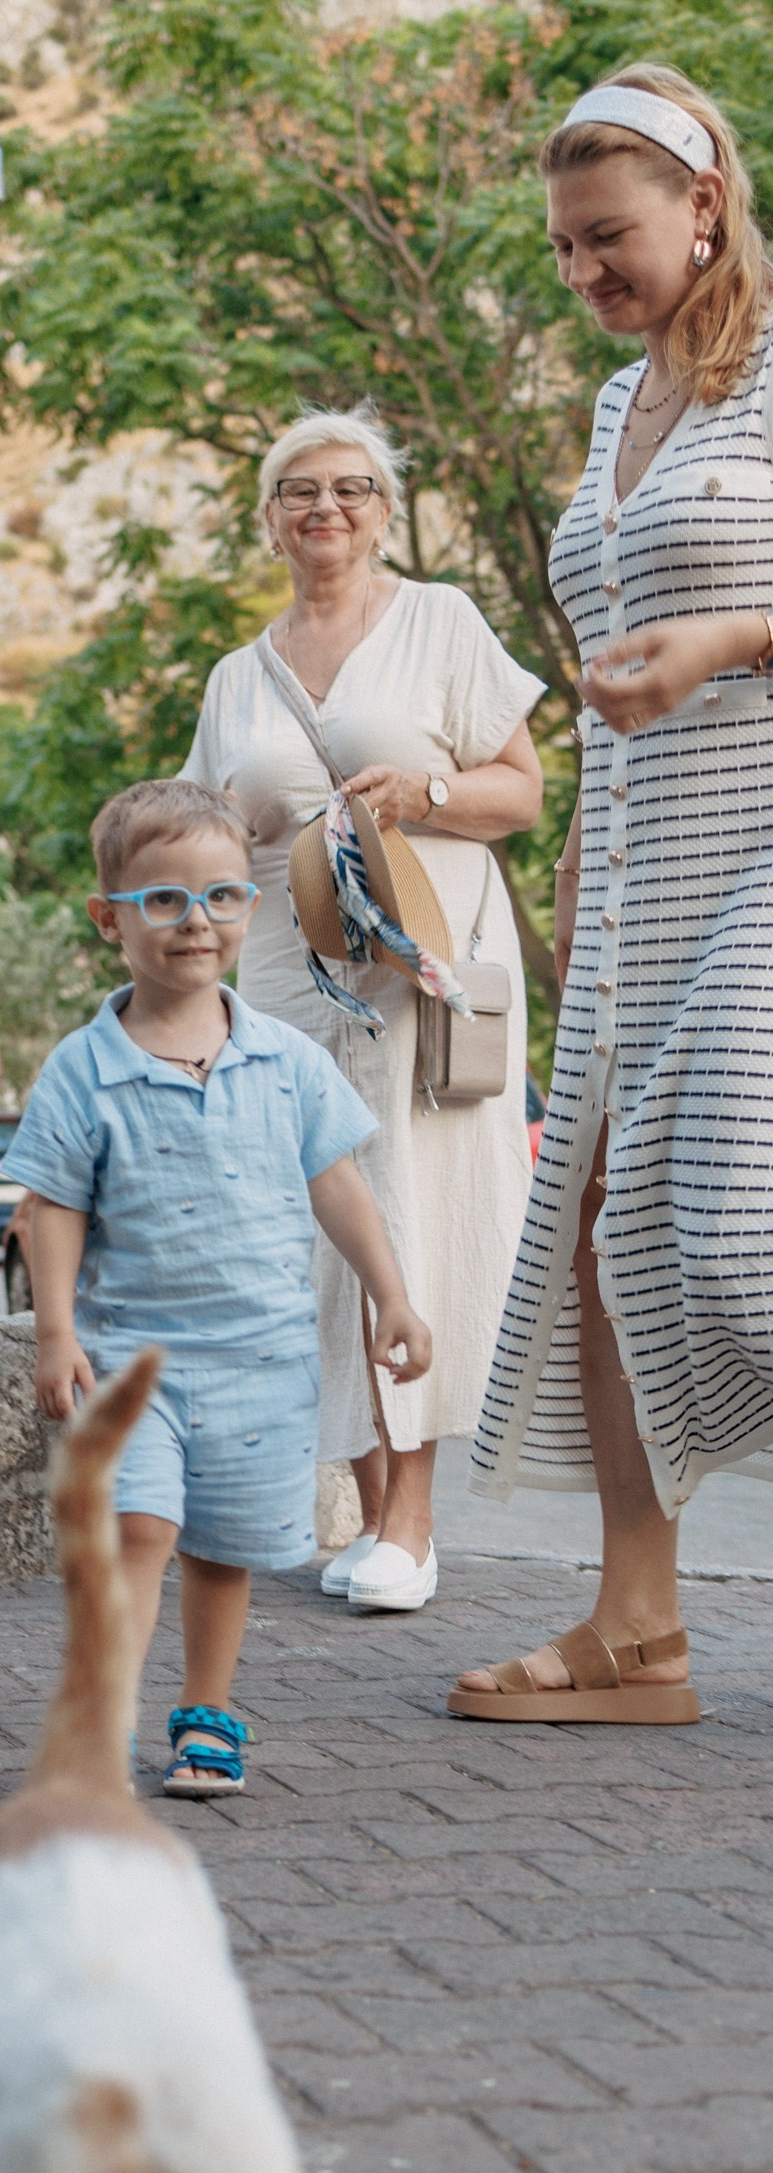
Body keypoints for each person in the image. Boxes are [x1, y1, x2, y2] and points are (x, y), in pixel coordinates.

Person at [455, 66, 773, 1726]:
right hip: (648, 856)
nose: (586, 273)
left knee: (721, 1215)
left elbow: (707, 639)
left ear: (706, 207)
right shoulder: (617, 406)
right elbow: (606, 673)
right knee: (597, 1224)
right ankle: (637, 1632)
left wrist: (732, 641)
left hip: (766, 844)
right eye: (567, 250)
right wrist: (582, 840)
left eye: (612, 236)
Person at [181, 410, 544, 1613]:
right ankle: (363, 1501)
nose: (323, 509)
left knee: (414, 1216)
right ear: (268, 518)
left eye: (348, 490)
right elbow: (203, 833)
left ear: (382, 510)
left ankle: (413, 1520)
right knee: (315, 1237)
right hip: (285, 980)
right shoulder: (236, 675)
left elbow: (521, 793)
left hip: (419, 973)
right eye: (297, 491)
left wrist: (426, 789)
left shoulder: (439, 621)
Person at [9, 778, 433, 1797]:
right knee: (140, 1529)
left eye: (220, 897)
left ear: (249, 907)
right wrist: (53, 1330)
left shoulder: (286, 1061)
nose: (194, 922)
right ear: (108, 918)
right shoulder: (82, 1070)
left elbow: (338, 1186)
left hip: (261, 1358)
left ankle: (206, 1712)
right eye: (162, 900)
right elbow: (51, 1209)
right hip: (129, 1359)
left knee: (220, 1550)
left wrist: (393, 1298)